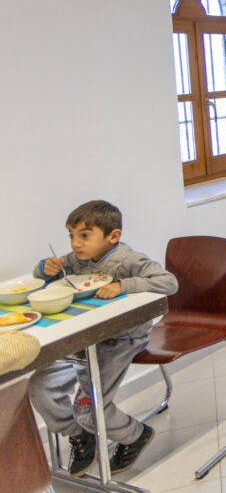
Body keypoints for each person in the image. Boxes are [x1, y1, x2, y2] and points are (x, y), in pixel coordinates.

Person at [29, 200, 178, 478]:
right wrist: (44, 268)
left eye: (84, 235)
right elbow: (50, 275)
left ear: (113, 236)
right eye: (71, 235)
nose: (75, 243)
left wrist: (123, 285)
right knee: (40, 388)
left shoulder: (129, 260)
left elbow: (169, 282)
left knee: (88, 410)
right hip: (82, 338)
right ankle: (81, 435)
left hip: (121, 339)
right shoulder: (77, 259)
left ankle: (135, 435)